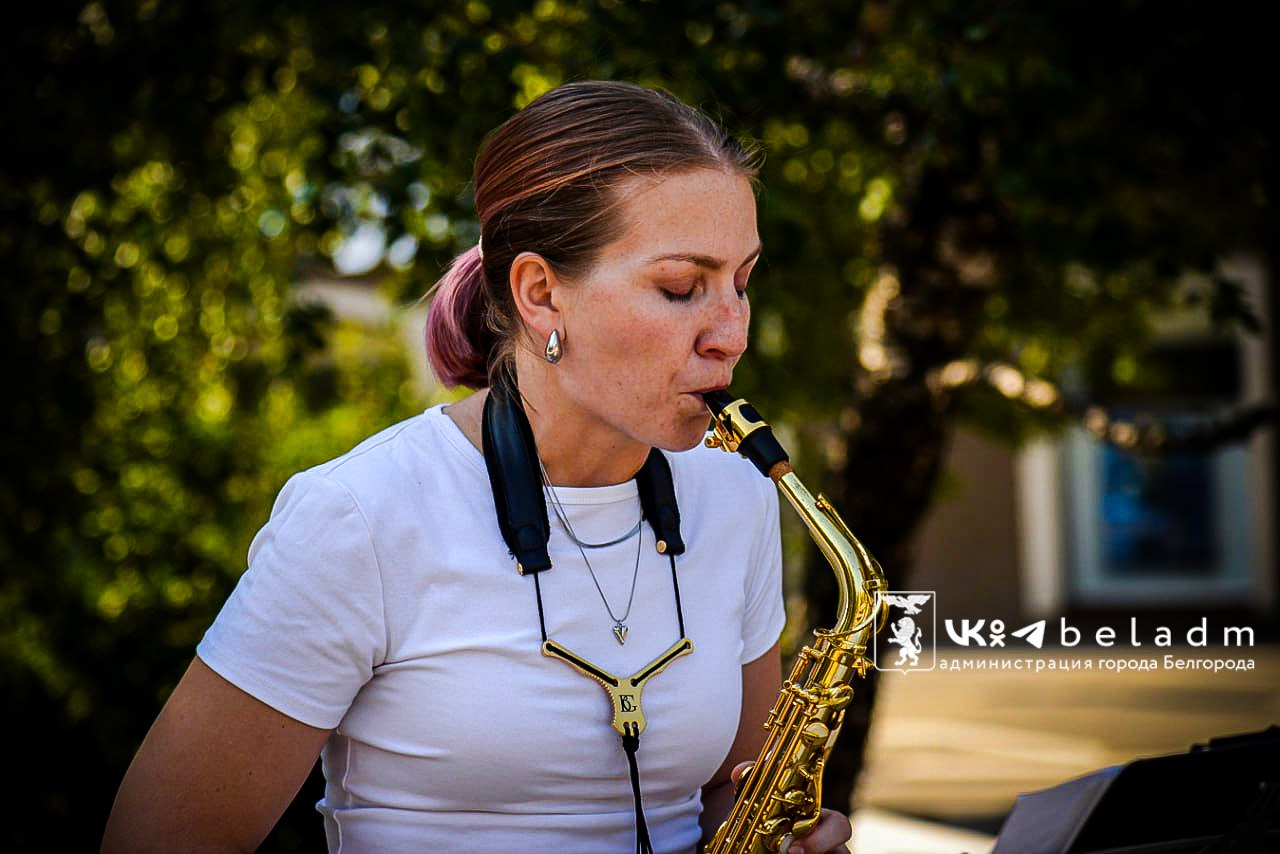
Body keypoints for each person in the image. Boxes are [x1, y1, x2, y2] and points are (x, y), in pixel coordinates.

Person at [102, 80, 853, 854]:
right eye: (681, 288)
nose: (731, 332)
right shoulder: (360, 516)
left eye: (742, 282)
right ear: (540, 294)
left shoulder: (737, 492)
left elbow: (732, 791)